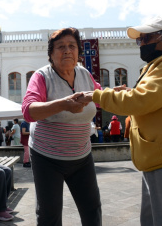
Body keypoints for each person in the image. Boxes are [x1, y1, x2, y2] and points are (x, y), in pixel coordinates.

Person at [78, 17, 162, 225]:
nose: (142, 43)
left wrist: (96, 95)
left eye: (147, 38)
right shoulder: (158, 66)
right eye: (140, 40)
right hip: (158, 157)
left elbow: (142, 101)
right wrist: (129, 93)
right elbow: (150, 99)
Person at [22, 27, 102, 226]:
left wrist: (115, 94)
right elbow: (28, 110)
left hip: (81, 155)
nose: (67, 50)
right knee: (49, 215)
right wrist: (64, 103)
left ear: (78, 52)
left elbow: (100, 98)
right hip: (47, 157)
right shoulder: (41, 76)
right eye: (61, 47)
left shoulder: (84, 74)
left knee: (92, 209)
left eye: (72, 46)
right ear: (51, 53)